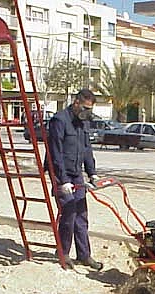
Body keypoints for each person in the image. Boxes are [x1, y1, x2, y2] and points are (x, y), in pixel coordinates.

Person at [46, 89, 103, 271]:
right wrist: (62, 181)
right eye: (85, 108)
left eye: (90, 109)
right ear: (76, 103)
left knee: (81, 215)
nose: (87, 112)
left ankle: (84, 255)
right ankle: (63, 253)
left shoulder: (83, 123)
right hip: (61, 173)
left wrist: (92, 173)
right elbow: (55, 152)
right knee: (69, 213)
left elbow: (86, 150)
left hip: (76, 173)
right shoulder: (60, 120)